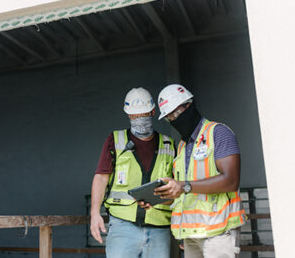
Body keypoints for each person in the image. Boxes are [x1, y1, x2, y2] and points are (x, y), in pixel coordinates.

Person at [153, 84, 246, 258]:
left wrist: (184, 186)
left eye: (176, 113)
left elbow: (231, 181)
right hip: (191, 234)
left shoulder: (218, 133)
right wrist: (158, 197)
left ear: (189, 105)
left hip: (219, 231)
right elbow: (182, 192)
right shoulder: (181, 146)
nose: (173, 119)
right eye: (169, 117)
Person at [90, 87, 176, 258]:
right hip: (123, 227)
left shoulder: (169, 144)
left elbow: (177, 188)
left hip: (160, 228)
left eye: (143, 114)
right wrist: (94, 213)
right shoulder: (115, 140)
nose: (139, 119)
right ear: (128, 115)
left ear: (153, 111)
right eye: (135, 116)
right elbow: (101, 177)